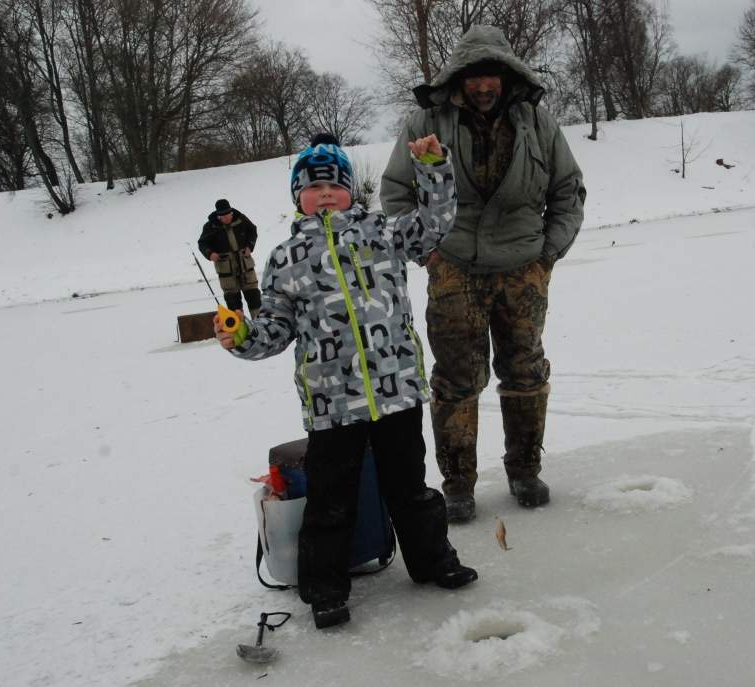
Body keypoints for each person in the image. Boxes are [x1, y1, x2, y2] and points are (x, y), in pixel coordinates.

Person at [215, 132, 477, 630]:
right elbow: (276, 326)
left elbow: (436, 222)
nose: (327, 193)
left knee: (411, 487)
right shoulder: (285, 258)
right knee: (332, 498)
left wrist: (432, 165)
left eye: (336, 183)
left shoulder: (383, 231)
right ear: (298, 197)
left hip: (396, 390)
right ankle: (325, 587)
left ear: (351, 190)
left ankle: (432, 561)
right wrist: (243, 337)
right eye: (314, 187)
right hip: (332, 402)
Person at [380, 25, 586, 524]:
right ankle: (457, 485)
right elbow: (395, 194)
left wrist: (547, 255)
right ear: (458, 78)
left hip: (523, 270)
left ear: (508, 75)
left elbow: (568, 191)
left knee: (525, 372)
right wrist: (427, 250)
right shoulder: (424, 122)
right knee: (454, 381)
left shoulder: (539, 123)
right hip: (454, 269)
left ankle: (524, 470)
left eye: (491, 74)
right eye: (473, 76)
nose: (483, 86)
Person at [198, 198, 262, 318]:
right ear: (218, 216)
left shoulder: (241, 219)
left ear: (231, 212)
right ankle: (240, 330)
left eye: (229, 214)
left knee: (254, 298)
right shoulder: (210, 226)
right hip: (226, 269)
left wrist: (250, 246)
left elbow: (253, 231)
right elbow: (202, 243)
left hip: (245, 265)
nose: (227, 218)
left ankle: (260, 327)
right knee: (233, 304)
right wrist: (210, 254)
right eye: (224, 216)